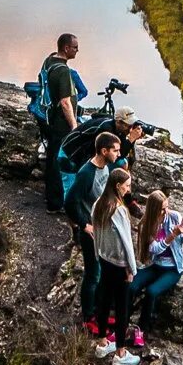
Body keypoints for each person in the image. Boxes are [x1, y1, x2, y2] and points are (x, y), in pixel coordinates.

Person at [63, 129, 121, 329]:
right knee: (93, 274)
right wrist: (84, 225)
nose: (118, 154)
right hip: (91, 232)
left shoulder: (105, 167)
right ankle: (88, 318)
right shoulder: (87, 173)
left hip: (103, 228)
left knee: (103, 272)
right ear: (103, 151)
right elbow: (70, 202)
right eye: (115, 150)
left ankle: (98, 311)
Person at [89, 166, 140, 365]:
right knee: (122, 308)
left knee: (104, 300)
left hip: (104, 260)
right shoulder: (118, 210)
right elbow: (126, 243)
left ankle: (102, 343)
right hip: (119, 265)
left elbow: (96, 234)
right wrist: (132, 269)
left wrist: (97, 254)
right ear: (118, 186)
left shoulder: (98, 205)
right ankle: (120, 353)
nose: (129, 189)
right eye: (127, 186)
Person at [127, 189, 183, 347]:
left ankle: (141, 330)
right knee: (132, 285)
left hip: (173, 269)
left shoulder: (175, 217)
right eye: (162, 208)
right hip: (156, 266)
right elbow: (154, 249)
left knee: (152, 291)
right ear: (154, 209)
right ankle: (122, 323)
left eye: (167, 207)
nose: (166, 211)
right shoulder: (147, 224)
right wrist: (171, 236)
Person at [39, 33, 80, 212]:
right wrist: (74, 125)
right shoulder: (63, 71)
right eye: (75, 47)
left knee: (52, 158)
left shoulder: (49, 60)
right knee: (58, 161)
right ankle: (56, 203)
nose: (77, 50)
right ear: (66, 48)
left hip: (49, 118)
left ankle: (52, 198)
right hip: (61, 123)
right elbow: (65, 102)